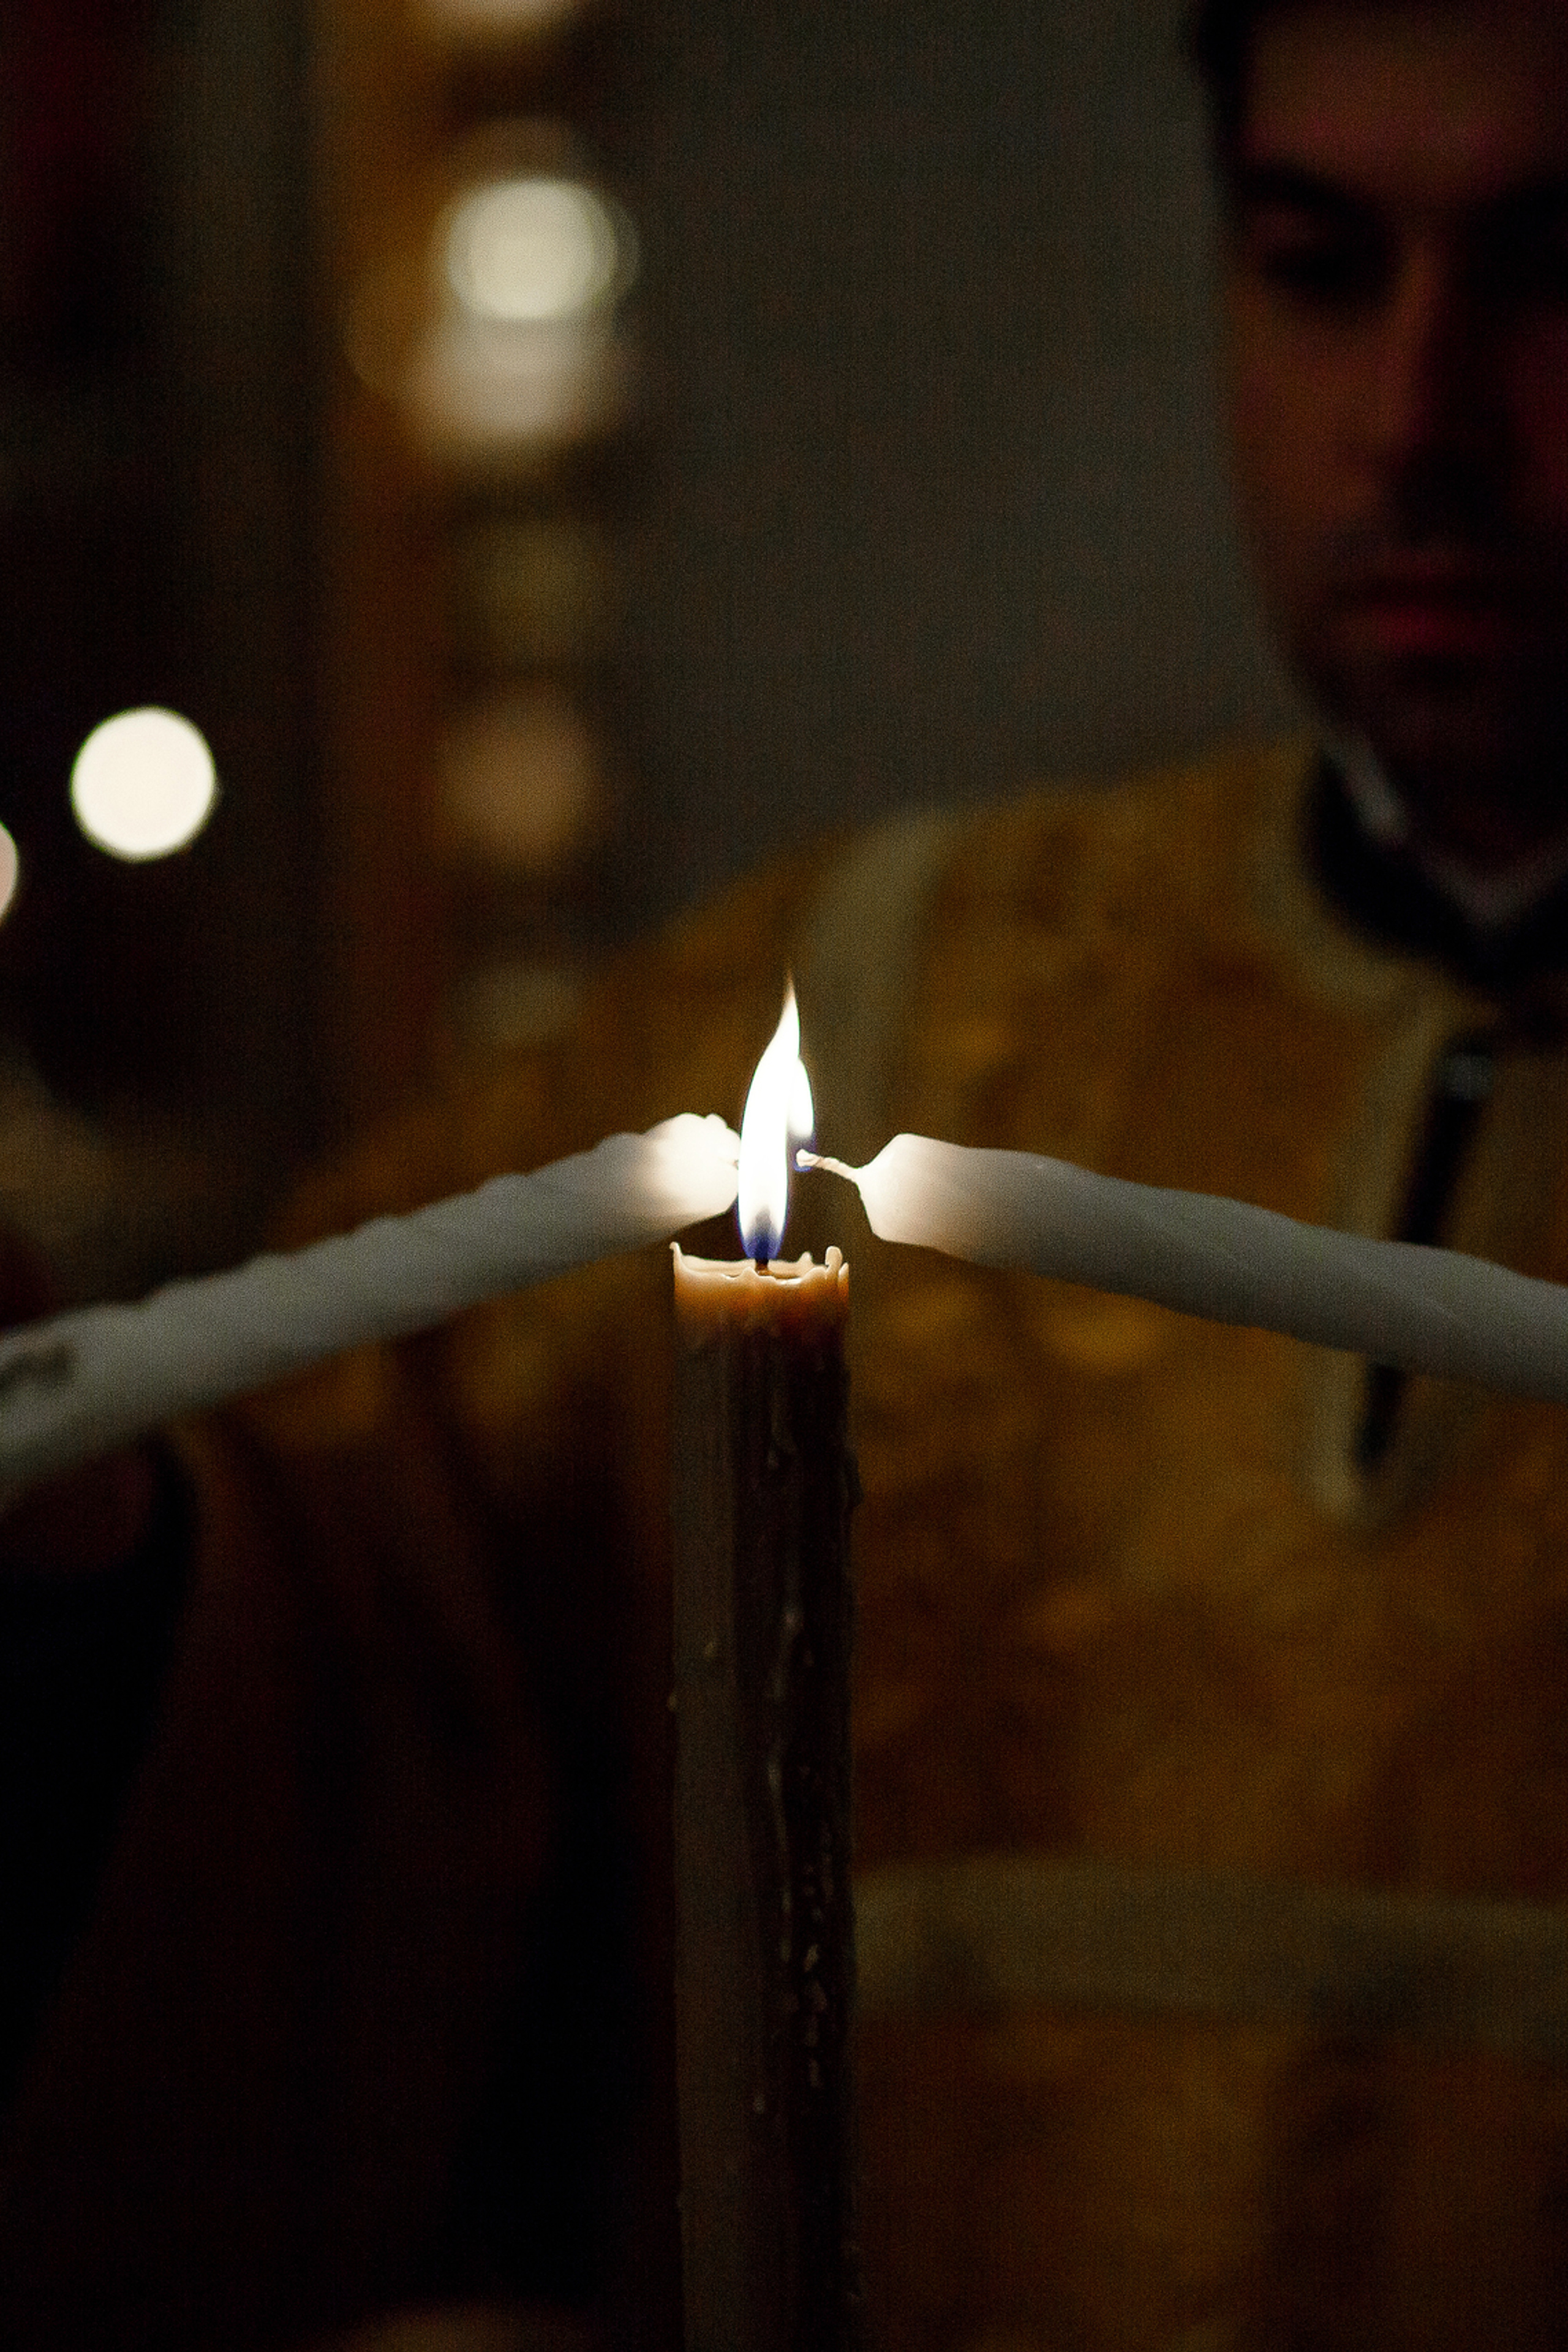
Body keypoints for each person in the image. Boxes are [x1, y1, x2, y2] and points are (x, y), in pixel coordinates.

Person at [6, 2, 1568, 2346]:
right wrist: (89, 1531)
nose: (1420, 426)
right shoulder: (902, 987)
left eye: (1555, 276)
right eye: (1320, 266)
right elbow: (323, 1680)